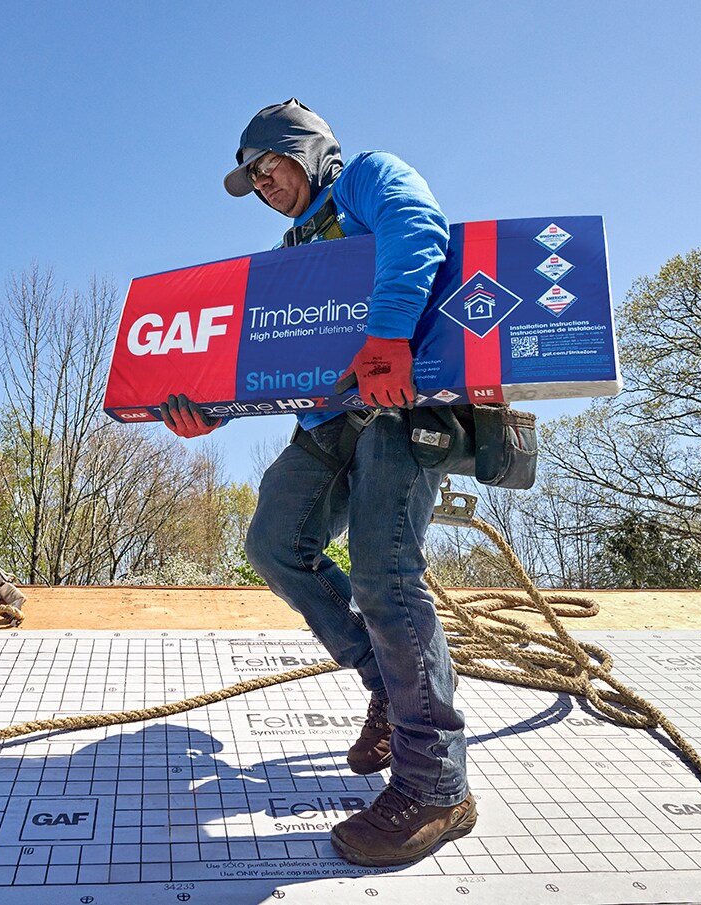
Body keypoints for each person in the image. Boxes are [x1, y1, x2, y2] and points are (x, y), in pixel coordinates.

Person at [157, 99, 474, 867]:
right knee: (273, 544)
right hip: (328, 420)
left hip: (402, 403)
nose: (264, 184)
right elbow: (270, 357)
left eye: (271, 167)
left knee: (384, 572)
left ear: (308, 152)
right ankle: (385, 686)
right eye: (253, 178)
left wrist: (389, 332)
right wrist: (212, 410)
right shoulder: (293, 247)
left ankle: (436, 783)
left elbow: (419, 228)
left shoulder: (367, 178)